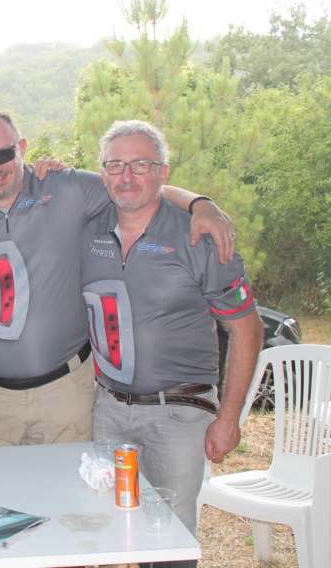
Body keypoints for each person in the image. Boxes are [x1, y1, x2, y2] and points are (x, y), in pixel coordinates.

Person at [0, 109, 237, 448]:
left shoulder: (67, 188)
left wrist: (200, 204)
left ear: (21, 147)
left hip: (67, 391)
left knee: (70, 484)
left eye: (4, 154)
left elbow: (134, 188)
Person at [82, 120, 263, 551]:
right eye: (115, 165)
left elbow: (248, 329)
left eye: (141, 165)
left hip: (179, 414)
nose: (127, 176)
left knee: (170, 539)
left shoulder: (199, 237)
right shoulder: (88, 229)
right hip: (108, 409)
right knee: (108, 529)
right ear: (103, 173)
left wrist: (229, 418)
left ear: (163, 171)